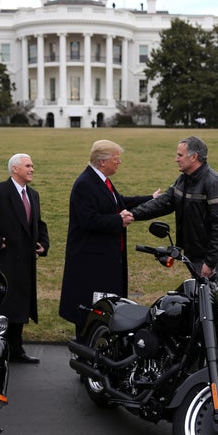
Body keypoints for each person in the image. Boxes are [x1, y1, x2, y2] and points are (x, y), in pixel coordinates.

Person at [124, 136, 218, 360]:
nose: (176, 159)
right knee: (201, 305)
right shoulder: (184, 179)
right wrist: (134, 213)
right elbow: (165, 202)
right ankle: (203, 354)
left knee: (216, 309)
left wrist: (210, 263)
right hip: (193, 256)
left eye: (180, 155)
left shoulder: (214, 183)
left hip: (209, 260)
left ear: (194, 157)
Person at [58, 139, 159, 339]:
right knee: (90, 311)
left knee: (105, 309)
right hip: (91, 262)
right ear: (102, 161)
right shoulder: (85, 184)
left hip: (105, 259)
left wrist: (151, 199)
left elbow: (120, 202)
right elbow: (88, 220)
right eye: (116, 159)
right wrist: (118, 220)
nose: (119, 162)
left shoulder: (100, 180)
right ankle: (86, 356)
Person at [0, 153, 49, 364]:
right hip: (4, 261)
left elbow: (38, 223)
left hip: (26, 262)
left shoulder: (33, 195)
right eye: (27, 165)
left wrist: (44, 243)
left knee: (21, 305)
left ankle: (16, 349)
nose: (32, 169)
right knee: (4, 306)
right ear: (15, 169)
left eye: (32, 165)